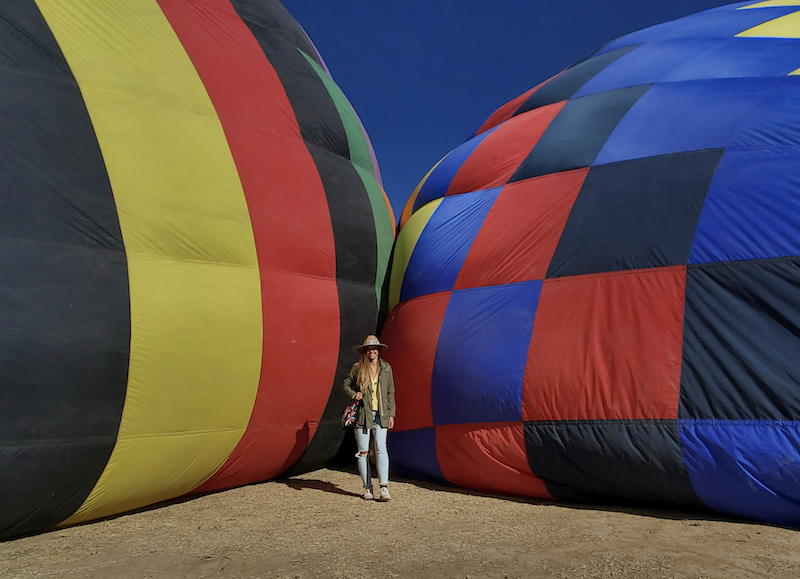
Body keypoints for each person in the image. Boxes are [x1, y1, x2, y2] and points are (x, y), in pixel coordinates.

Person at [343, 335, 396, 501]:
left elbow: (390, 393)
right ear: (365, 352)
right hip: (362, 415)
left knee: (381, 448)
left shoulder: (386, 368)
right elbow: (346, 384)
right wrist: (354, 394)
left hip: (381, 414)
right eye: (368, 349)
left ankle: (384, 488)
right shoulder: (358, 368)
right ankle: (367, 488)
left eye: (374, 349)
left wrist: (391, 413)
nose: (371, 352)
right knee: (363, 452)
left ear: (378, 350)